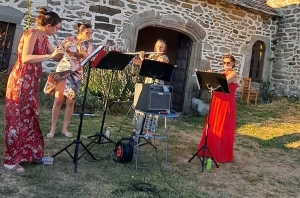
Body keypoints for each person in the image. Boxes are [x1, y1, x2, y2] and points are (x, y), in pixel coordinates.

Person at [2, 8, 64, 173]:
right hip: (21, 81)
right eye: (56, 28)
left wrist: (65, 50)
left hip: (31, 82)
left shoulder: (44, 37)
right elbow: (26, 58)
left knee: (29, 117)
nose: (57, 31)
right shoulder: (31, 34)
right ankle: (9, 160)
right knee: (17, 119)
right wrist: (50, 57)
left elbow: (55, 55)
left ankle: (28, 155)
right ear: (49, 25)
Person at [44, 23, 93, 138]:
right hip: (63, 70)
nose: (89, 35)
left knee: (70, 102)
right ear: (80, 32)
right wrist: (63, 50)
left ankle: (65, 129)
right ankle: (52, 129)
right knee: (58, 100)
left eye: (91, 33)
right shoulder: (69, 39)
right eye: (87, 32)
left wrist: (79, 52)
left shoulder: (88, 44)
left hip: (76, 73)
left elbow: (89, 57)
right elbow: (59, 53)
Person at [197, 54, 239, 163]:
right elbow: (213, 85)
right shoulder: (223, 73)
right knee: (213, 125)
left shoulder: (233, 74)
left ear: (233, 63)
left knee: (223, 126)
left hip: (226, 103)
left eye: (228, 63)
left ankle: (220, 153)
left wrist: (211, 76)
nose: (226, 65)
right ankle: (210, 149)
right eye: (224, 63)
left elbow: (222, 82)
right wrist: (208, 77)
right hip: (217, 101)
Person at [131, 39, 169, 136]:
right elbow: (142, 64)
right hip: (148, 83)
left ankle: (150, 132)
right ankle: (141, 129)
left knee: (153, 108)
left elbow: (153, 66)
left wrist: (143, 58)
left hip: (157, 85)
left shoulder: (164, 58)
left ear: (164, 49)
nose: (159, 48)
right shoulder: (151, 56)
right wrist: (132, 58)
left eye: (161, 47)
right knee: (144, 105)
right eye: (157, 46)